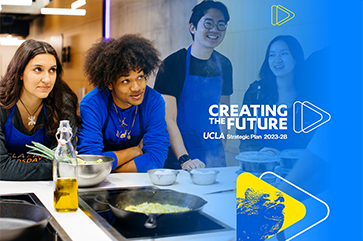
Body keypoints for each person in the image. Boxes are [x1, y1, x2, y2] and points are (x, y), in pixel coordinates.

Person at [154, 0, 233, 170]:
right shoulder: (173, 64)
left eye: (221, 25)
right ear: (193, 28)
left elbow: (224, 111)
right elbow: (168, 118)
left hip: (213, 154)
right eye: (208, 23)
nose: (215, 30)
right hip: (179, 155)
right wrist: (184, 158)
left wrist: (221, 147)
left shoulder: (225, 64)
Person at [77, 34, 170, 172]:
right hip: (98, 184)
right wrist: (134, 152)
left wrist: (109, 169)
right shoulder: (92, 104)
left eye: (140, 77)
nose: (136, 87)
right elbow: (90, 161)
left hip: (135, 183)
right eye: (126, 81)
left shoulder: (153, 101)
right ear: (109, 83)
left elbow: (155, 160)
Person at [0, 39, 81, 181]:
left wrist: (13, 168)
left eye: (52, 70)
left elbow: (65, 160)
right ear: (20, 73)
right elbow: (1, 167)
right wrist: (54, 167)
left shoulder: (63, 103)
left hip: (47, 188)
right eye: (38, 69)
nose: (47, 79)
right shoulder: (2, 104)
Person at [237, 35, 314, 153]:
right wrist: (262, 151)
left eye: (284, 54)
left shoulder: (309, 95)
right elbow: (244, 133)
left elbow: (314, 139)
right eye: (272, 55)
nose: (277, 60)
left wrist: (285, 156)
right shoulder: (256, 92)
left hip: (296, 165)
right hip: (261, 163)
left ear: (296, 58)